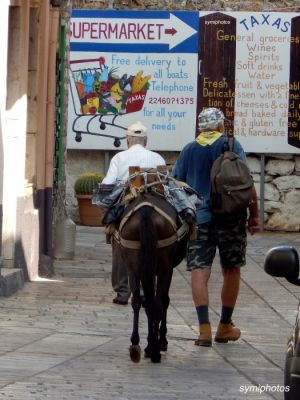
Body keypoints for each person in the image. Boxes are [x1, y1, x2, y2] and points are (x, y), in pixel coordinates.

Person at [172, 107, 260, 346]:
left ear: (199, 128)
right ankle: (224, 326)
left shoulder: (189, 149)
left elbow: (176, 183)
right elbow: (247, 182)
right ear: (221, 126)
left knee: (200, 271)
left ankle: (203, 330)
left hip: (199, 220)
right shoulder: (231, 145)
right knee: (231, 269)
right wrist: (254, 215)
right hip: (230, 218)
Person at [102, 121, 166, 305]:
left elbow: (108, 183)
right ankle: (148, 292)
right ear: (145, 140)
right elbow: (165, 184)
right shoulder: (157, 158)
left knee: (118, 240)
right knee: (154, 249)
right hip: (153, 200)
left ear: (128, 140)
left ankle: (122, 292)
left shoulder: (119, 158)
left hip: (127, 201)